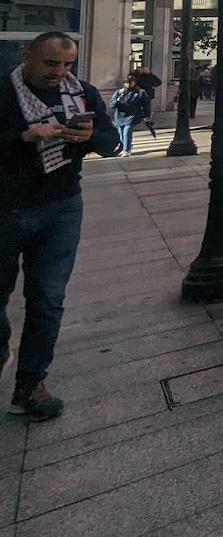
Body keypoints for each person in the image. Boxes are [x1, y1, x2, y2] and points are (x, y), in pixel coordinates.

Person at [0, 32, 120, 420]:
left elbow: (111, 142)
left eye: (67, 64)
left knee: (47, 299)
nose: (59, 73)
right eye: (51, 63)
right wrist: (24, 136)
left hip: (61, 206)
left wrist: (91, 137)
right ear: (28, 55)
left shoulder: (81, 93)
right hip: (6, 207)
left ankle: (30, 384)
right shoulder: (4, 92)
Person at [109, 74, 151, 156]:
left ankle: (126, 150)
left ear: (134, 83)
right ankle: (127, 146)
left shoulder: (140, 92)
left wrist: (147, 115)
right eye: (126, 83)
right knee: (121, 135)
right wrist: (117, 101)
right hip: (120, 116)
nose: (128, 85)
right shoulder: (119, 92)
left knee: (127, 132)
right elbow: (111, 105)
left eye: (130, 83)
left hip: (133, 116)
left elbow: (146, 105)